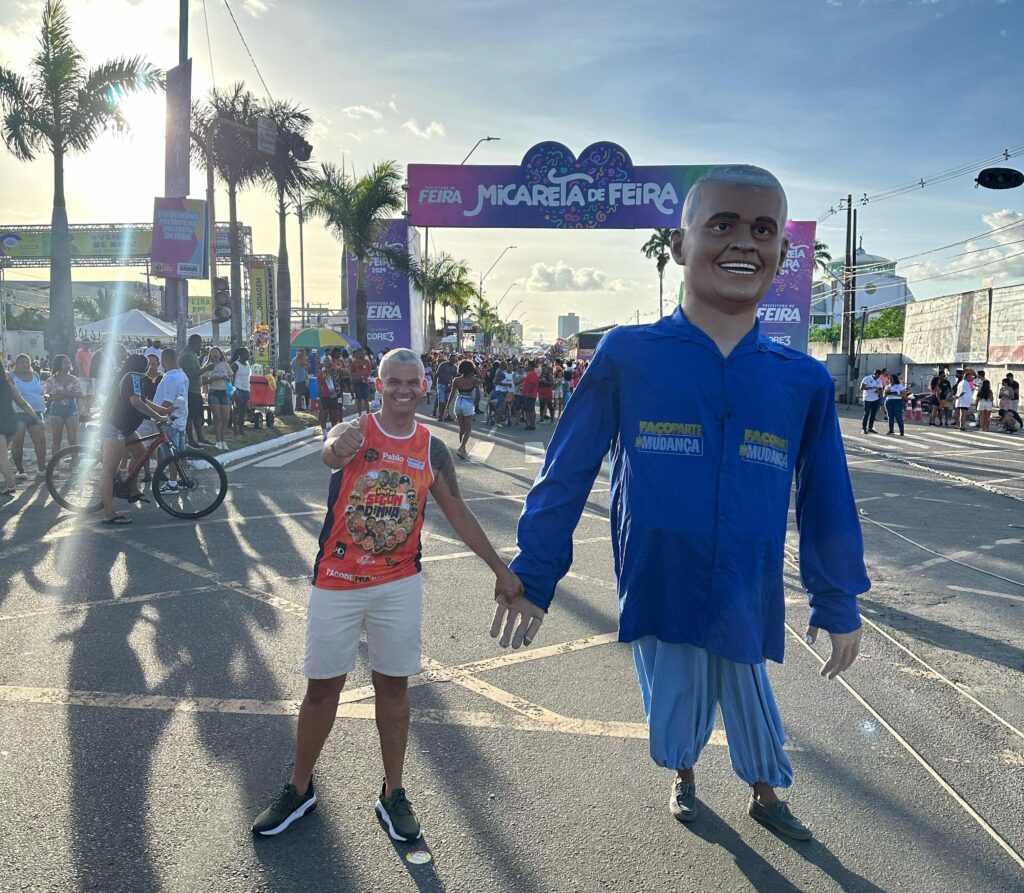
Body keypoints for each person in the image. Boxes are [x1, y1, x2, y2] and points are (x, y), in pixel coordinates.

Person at [492, 165, 868, 842]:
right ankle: (685, 775)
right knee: (674, 704)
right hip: (659, 573)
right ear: (679, 242)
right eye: (721, 224)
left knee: (749, 689)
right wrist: (537, 573)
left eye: (762, 229)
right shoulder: (629, 353)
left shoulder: (800, 381)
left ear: (782, 253)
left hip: (745, 581)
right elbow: (567, 466)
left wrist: (836, 598)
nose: (743, 243)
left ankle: (766, 789)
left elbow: (827, 496)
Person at [250, 348, 523, 840]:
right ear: (379, 386)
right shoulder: (358, 430)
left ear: (424, 386)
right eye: (393, 381)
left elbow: (459, 513)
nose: (403, 390)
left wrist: (500, 569)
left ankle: (392, 793)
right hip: (337, 581)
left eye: (412, 382)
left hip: (398, 585)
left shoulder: (430, 449)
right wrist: (338, 443)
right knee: (322, 689)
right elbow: (331, 451)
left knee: (394, 689)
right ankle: (299, 787)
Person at [99, 353, 171, 525]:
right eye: (148, 365)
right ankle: (109, 514)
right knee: (109, 472)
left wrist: (164, 411)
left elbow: (145, 401)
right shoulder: (134, 377)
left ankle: (132, 489)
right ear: (143, 367)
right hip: (116, 429)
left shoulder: (133, 378)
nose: (151, 368)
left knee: (141, 453)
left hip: (125, 427)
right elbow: (137, 403)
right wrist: (157, 417)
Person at [153, 349, 190, 492]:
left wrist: (155, 413)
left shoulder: (170, 378)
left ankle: (173, 483)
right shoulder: (182, 375)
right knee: (181, 452)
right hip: (180, 419)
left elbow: (167, 402)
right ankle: (183, 479)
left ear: (165, 360)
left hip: (169, 420)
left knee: (171, 455)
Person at [9, 353, 48, 481]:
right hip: (17, 413)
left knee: (41, 441)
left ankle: (42, 469)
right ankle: (20, 470)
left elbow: (41, 392)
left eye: (27, 362)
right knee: (18, 442)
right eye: (21, 362)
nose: (24, 364)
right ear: (15, 364)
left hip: (35, 413)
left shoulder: (35, 375)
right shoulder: (11, 377)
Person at [1, 364, 37, 494]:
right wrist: (36, 418)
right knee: (2, 454)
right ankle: (8, 481)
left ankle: (11, 485)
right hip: (10, 422)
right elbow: (23, 403)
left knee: (2, 456)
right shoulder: (8, 386)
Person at [444, 360, 482, 459]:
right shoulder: (473, 380)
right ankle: (461, 447)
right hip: (468, 403)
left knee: (462, 428)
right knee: (468, 428)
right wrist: (477, 371)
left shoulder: (456, 380)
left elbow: (452, 394)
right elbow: (482, 380)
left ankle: (463, 448)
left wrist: (447, 407)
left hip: (458, 401)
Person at [44, 354, 83, 453]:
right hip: (57, 410)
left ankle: (74, 460)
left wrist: (63, 392)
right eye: (65, 363)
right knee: (57, 439)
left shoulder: (74, 379)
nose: (68, 365)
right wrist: (70, 394)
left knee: (72, 439)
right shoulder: (51, 380)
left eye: (69, 362)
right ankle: (55, 462)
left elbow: (79, 394)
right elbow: (51, 397)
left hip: (71, 409)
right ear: (59, 365)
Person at [180, 334, 210, 447]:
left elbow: (196, 368)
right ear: (194, 343)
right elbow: (192, 373)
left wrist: (202, 356)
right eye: (199, 343)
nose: (201, 346)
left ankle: (201, 437)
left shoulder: (192, 354)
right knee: (190, 416)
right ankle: (191, 440)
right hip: (190, 390)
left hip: (195, 390)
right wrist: (207, 368)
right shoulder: (188, 356)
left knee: (198, 415)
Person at [203, 347, 233, 450]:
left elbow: (230, 378)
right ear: (210, 355)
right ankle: (218, 441)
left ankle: (223, 440)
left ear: (221, 355)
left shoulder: (225, 365)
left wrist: (226, 378)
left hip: (224, 392)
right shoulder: (208, 366)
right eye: (212, 353)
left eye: (217, 353)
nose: (215, 355)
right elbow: (203, 381)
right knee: (217, 418)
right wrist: (211, 379)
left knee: (226, 418)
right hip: (213, 392)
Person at [230, 348, 252, 436]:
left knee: (243, 410)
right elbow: (231, 378)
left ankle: (241, 429)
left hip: (246, 389)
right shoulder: (235, 364)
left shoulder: (247, 364)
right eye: (247, 353)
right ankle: (235, 429)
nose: (248, 355)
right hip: (237, 389)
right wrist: (232, 391)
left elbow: (248, 378)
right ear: (241, 354)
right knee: (237, 410)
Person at [350, 348, 373, 415]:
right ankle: (360, 414)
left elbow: (370, 371)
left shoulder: (367, 361)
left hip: (365, 382)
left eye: (363, 353)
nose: (362, 355)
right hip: (357, 383)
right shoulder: (354, 362)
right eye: (361, 353)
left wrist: (366, 376)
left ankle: (368, 413)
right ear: (357, 354)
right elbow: (351, 372)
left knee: (366, 399)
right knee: (359, 399)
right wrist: (356, 378)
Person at [434, 354, 457, 421]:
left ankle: (445, 414)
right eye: (451, 359)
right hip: (441, 384)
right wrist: (434, 384)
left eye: (454, 360)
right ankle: (440, 416)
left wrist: (453, 386)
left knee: (446, 401)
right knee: (441, 400)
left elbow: (455, 377)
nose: (452, 361)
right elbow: (436, 374)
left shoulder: (454, 367)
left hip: (448, 386)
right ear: (448, 359)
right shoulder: (443, 365)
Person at [859, 369, 882, 433]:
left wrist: (878, 391)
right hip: (867, 399)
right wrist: (871, 388)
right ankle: (864, 428)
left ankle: (870, 427)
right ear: (876, 374)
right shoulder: (867, 378)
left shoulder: (879, 380)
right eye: (878, 375)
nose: (878, 377)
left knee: (873, 414)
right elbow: (861, 387)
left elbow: (880, 388)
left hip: (875, 399)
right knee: (866, 414)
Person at [520, 360, 539, 430]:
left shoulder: (532, 374)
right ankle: (529, 424)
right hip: (529, 394)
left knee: (531, 410)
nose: (527, 367)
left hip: (530, 395)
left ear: (531, 366)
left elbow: (532, 384)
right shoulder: (531, 373)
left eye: (528, 365)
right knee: (528, 409)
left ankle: (532, 424)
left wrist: (528, 392)